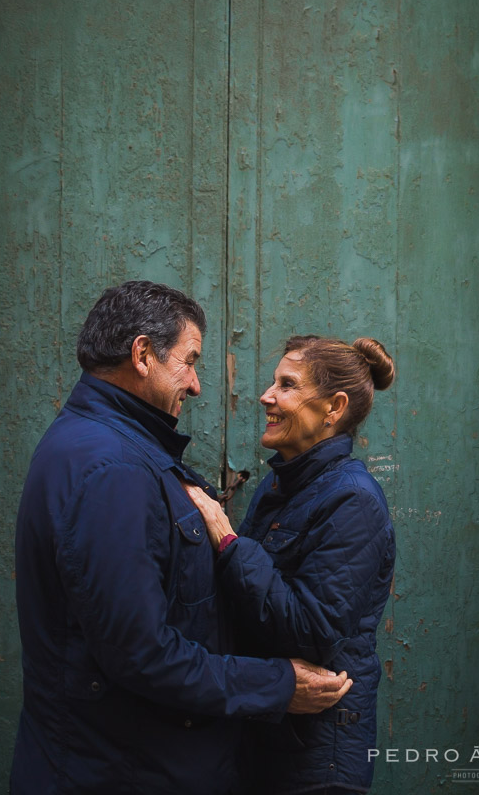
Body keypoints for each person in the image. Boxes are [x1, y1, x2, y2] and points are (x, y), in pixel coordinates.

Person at [11, 281, 352, 795]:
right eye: (188, 361)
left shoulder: (113, 448)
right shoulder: (112, 468)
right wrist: (278, 685)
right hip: (119, 771)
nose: (195, 385)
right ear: (143, 355)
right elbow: (141, 651)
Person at [184, 335, 397, 795]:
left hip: (317, 756)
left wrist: (227, 538)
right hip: (270, 733)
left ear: (333, 408)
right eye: (272, 381)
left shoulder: (352, 500)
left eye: (287, 384)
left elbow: (311, 628)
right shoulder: (284, 481)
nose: (267, 395)